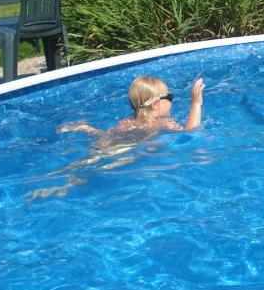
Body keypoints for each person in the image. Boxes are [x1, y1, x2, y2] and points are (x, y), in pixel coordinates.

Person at [29, 76, 204, 199]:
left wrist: (88, 129)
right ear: (157, 104)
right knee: (95, 171)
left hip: (106, 144)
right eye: (170, 97)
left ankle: (49, 179)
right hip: (128, 150)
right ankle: (63, 187)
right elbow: (190, 131)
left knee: (84, 162)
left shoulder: (126, 122)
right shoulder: (163, 123)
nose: (172, 101)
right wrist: (196, 104)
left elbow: (107, 136)